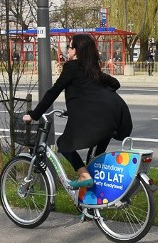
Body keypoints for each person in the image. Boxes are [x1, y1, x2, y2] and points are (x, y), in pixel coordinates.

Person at [23, 34, 133, 188]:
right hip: (117, 116)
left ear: (76, 50)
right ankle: (90, 207)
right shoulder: (92, 69)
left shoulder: (72, 67)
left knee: (63, 144)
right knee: (94, 163)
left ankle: (83, 175)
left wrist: (34, 115)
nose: (68, 50)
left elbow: (53, 92)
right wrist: (89, 101)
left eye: (70, 47)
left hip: (99, 119)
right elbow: (115, 83)